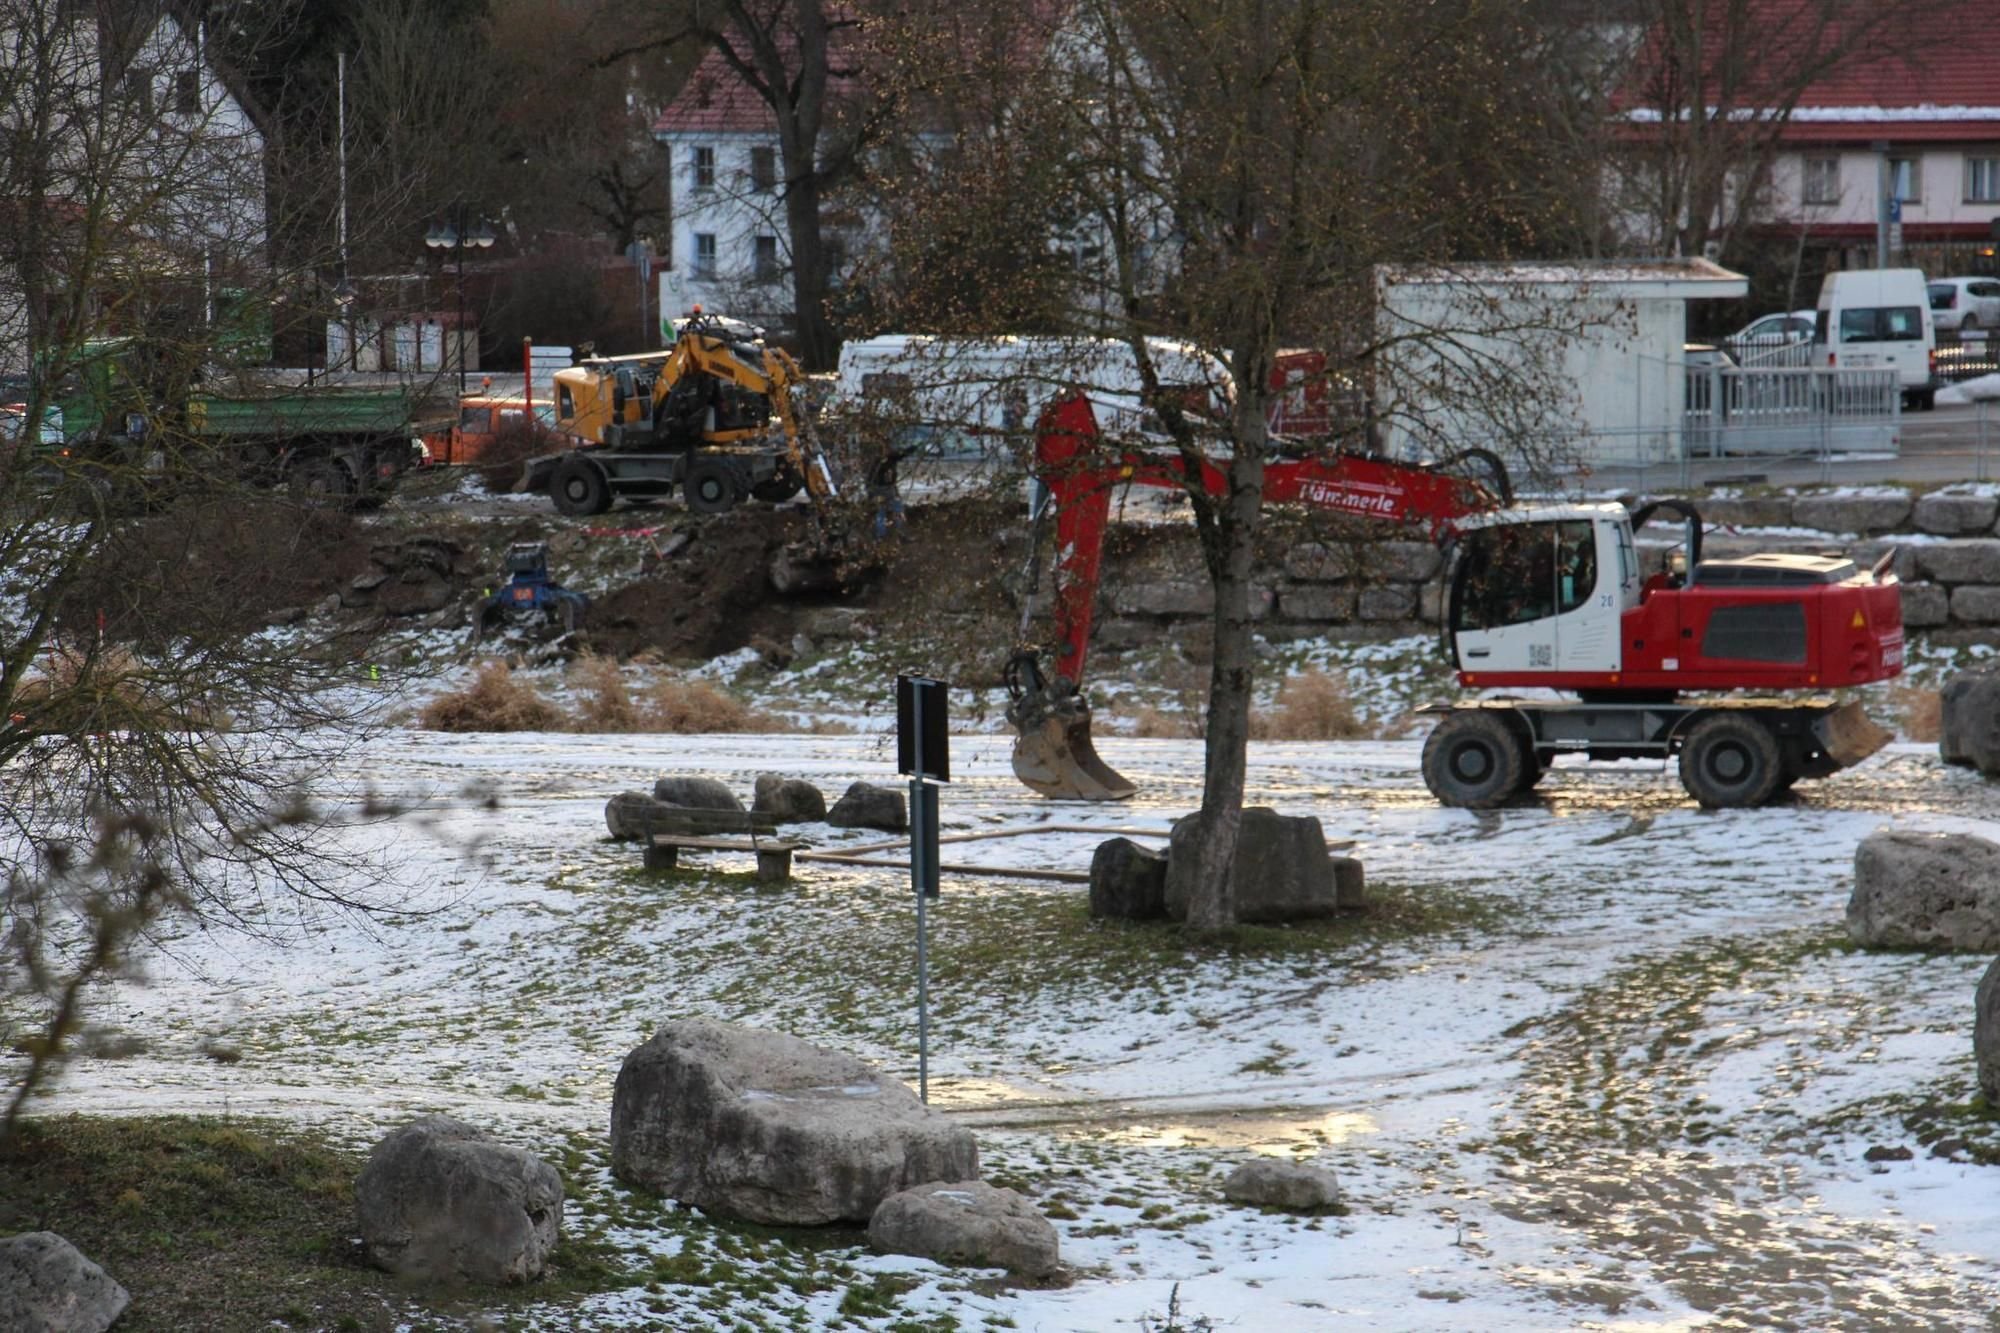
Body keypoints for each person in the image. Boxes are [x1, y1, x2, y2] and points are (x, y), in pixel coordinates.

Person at [869, 439, 913, 539]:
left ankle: (898, 534)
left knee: (897, 510)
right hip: (880, 489)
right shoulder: (879, 462)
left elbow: (902, 454)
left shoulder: (890, 458)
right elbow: (871, 478)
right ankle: (881, 536)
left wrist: (915, 447)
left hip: (888, 488)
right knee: (881, 512)